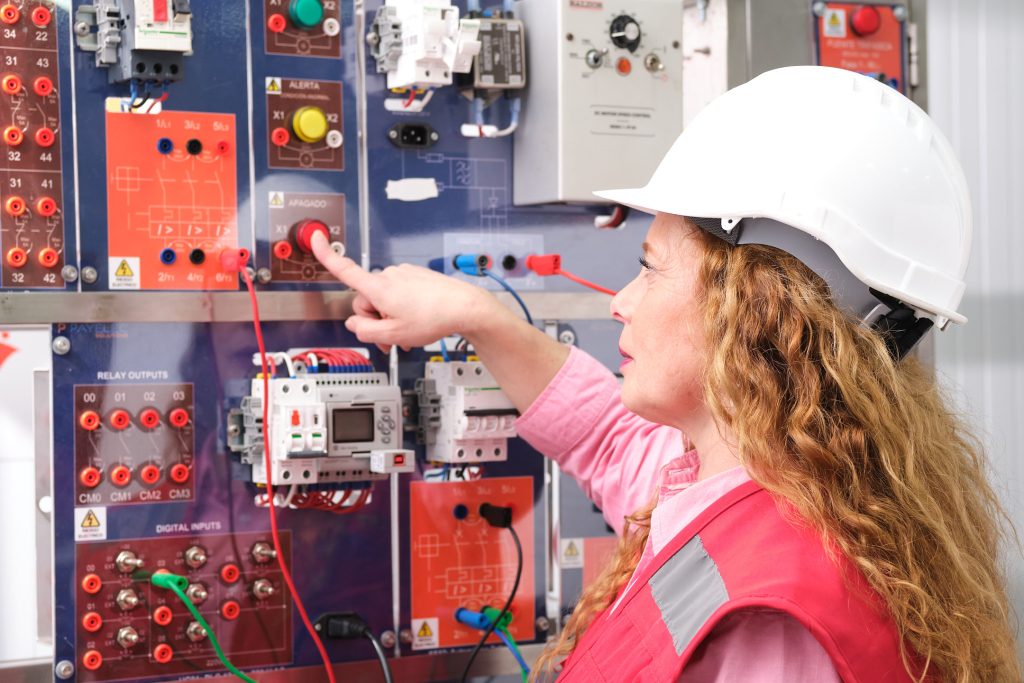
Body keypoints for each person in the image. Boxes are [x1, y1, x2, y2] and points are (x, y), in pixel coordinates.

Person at [311, 66, 1020, 681]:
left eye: (649, 268)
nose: (619, 301)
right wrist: (477, 315)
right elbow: (605, 437)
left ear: (756, 306)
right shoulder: (777, 490)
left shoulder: (776, 618)